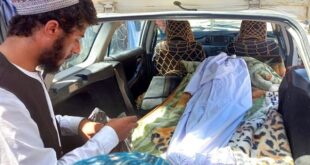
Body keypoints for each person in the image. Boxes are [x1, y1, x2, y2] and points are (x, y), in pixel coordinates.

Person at [0, 0, 138, 164]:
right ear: (52, 28)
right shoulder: (4, 100)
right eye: (77, 38)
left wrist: (79, 124)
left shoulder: (27, 71)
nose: (77, 49)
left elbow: (37, 123)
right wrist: (109, 136)